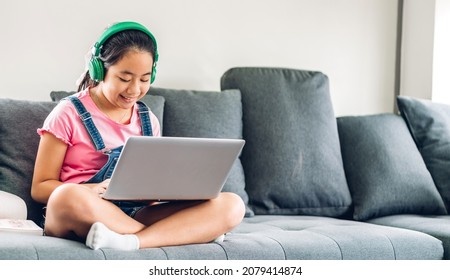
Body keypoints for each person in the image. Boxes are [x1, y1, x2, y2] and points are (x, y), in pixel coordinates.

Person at [31, 21, 245, 250]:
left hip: (134, 213)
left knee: (232, 205)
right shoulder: (68, 113)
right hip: (83, 210)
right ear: (100, 70)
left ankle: (131, 241)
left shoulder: (147, 119)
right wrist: (90, 190)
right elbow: (40, 187)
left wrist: (166, 191)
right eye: (124, 78)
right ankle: (183, 234)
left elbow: (150, 195)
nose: (134, 90)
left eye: (144, 79)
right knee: (67, 196)